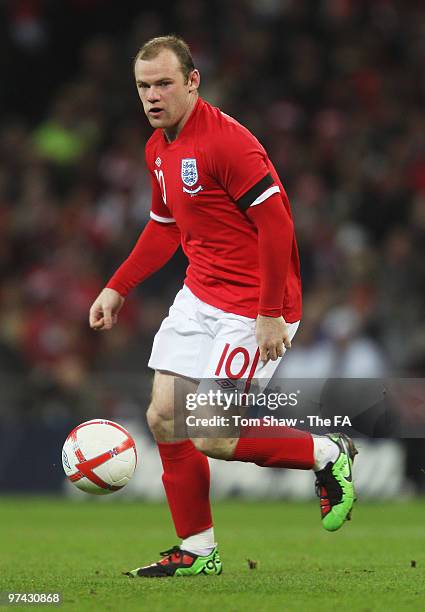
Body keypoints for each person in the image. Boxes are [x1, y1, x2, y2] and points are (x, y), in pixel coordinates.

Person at [89, 35, 357, 578]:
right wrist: (118, 285)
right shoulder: (158, 149)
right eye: (144, 86)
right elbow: (165, 228)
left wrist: (268, 312)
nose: (153, 96)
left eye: (164, 83)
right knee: (164, 417)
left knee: (211, 433)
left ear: (193, 82)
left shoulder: (228, 143)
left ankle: (327, 452)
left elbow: (277, 222)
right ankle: (196, 549)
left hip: (252, 307)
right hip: (200, 295)